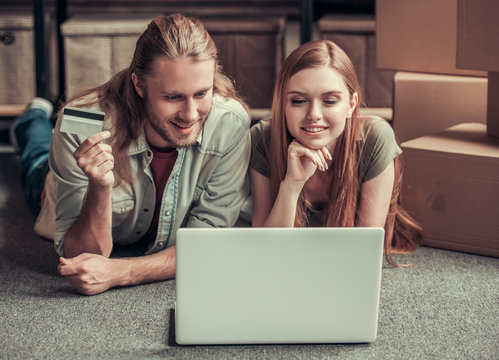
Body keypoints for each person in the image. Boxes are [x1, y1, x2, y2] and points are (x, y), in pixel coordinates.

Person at [14, 14, 251, 295]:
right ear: (139, 85)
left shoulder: (231, 123)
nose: (190, 114)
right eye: (173, 97)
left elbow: (206, 246)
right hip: (48, 184)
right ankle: (31, 119)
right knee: (35, 156)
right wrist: (100, 186)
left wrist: (120, 272)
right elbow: (83, 255)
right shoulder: (80, 119)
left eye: (201, 93)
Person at [250, 40, 422, 262]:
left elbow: (362, 254)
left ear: (351, 104)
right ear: (283, 104)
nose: (313, 114)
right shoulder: (263, 138)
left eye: (329, 101)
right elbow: (264, 253)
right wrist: (291, 186)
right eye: (299, 101)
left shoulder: (375, 138)